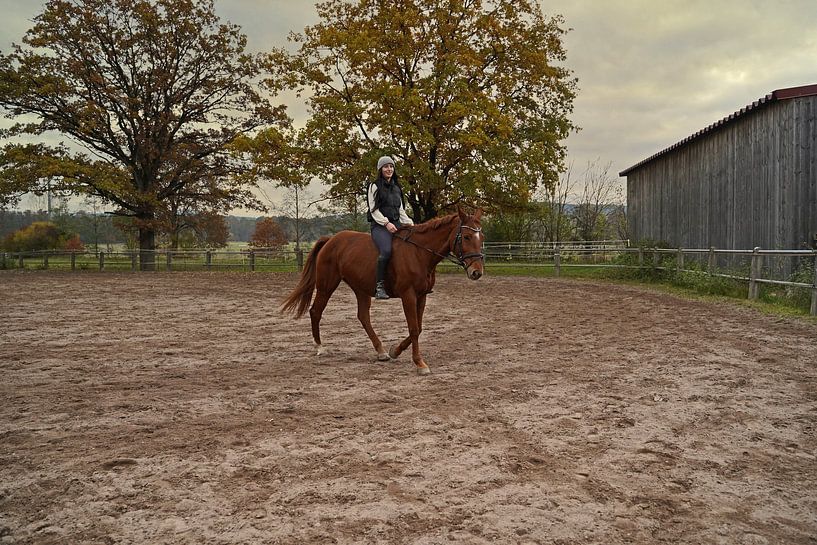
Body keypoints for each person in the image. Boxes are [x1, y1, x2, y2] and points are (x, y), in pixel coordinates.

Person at [367, 155, 414, 299]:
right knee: (386, 250)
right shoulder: (374, 186)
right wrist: (386, 223)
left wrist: (412, 224)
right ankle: (380, 286)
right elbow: (373, 210)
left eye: (391, 166)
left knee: (412, 245)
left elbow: (400, 211)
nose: (389, 169)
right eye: (386, 166)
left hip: (397, 224)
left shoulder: (397, 188)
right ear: (380, 169)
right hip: (380, 226)